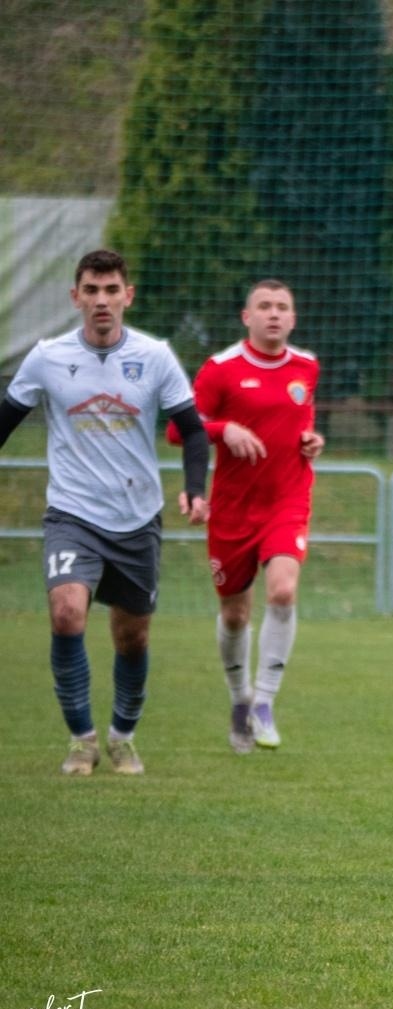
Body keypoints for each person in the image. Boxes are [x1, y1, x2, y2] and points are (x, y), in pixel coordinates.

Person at [0, 249, 211, 776]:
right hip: (72, 513)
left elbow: (192, 430)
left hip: (137, 518)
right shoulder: (47, 357)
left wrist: (193, 488)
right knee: (67, 612)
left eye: (111, 290)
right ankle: (81, 740)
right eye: (91, 291)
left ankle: (122, 736)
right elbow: (5, 418)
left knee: (131, 634)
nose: (101, 300)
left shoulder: (155, 356)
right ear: (76, 298)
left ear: (127, 296)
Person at [165, 279, 323, 753]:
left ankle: (265, 703)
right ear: (246, 316)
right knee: (235, 615)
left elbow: (300, 423)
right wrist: (222, 428)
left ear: (292, 319)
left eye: (282, 307)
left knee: (283, 589)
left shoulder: (306, 366)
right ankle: (239, 700)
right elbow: (178, 430)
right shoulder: (220, 370)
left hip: (287, 501)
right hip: (232, 510)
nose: (273, 314)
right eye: (264, 306)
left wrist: (313, 441)